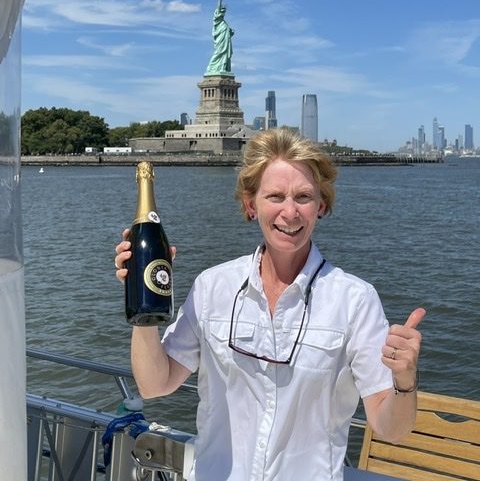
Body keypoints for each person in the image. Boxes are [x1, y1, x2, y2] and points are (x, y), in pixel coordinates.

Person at [115, 127, 425, 481]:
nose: (290, 212)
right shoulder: (213, 287)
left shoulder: (355, 301)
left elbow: (391, 429)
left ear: (321, 206)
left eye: (303, 197)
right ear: (251, 205)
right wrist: (141, 301)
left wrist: (404, 379)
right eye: (275, 196)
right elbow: (155, 385)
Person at [204, 0, 234, 76]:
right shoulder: (217, 20)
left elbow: (227, 33)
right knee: (218, 52)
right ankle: (211, 68)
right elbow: (218, 7)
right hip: (220, 42)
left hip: (225, 41)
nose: (223, 12)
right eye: (222, 10)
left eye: (224, 11)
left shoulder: (224, 23)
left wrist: (230, 33)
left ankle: (223, 67)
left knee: (224, 54)